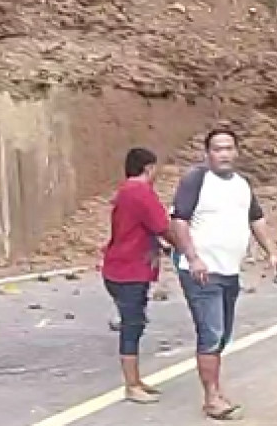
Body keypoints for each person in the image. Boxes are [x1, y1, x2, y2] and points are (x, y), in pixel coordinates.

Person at [170, 128, 277, 421]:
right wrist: (193, 258)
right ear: (208, 153)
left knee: (222, 335)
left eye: (229, 148)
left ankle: (215, 391)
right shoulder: (196, 180)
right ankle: (212, 398)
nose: (224, 154)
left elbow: (256, 218)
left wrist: (271, 251)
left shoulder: (242, 185)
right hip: (202, 272)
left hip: (229, 271)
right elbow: (179, 221)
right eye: (217, 149)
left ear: (237, 152)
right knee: (212, 333)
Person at [101, 147, 174, 404]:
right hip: (129, 270)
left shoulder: (125, 191)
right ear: (149, 168)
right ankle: (131, 385)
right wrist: (185, 248)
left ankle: (135, 380)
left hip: (119, 266)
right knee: (132, 326)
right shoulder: (141, 192)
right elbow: (163, 226)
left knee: (135, 323)